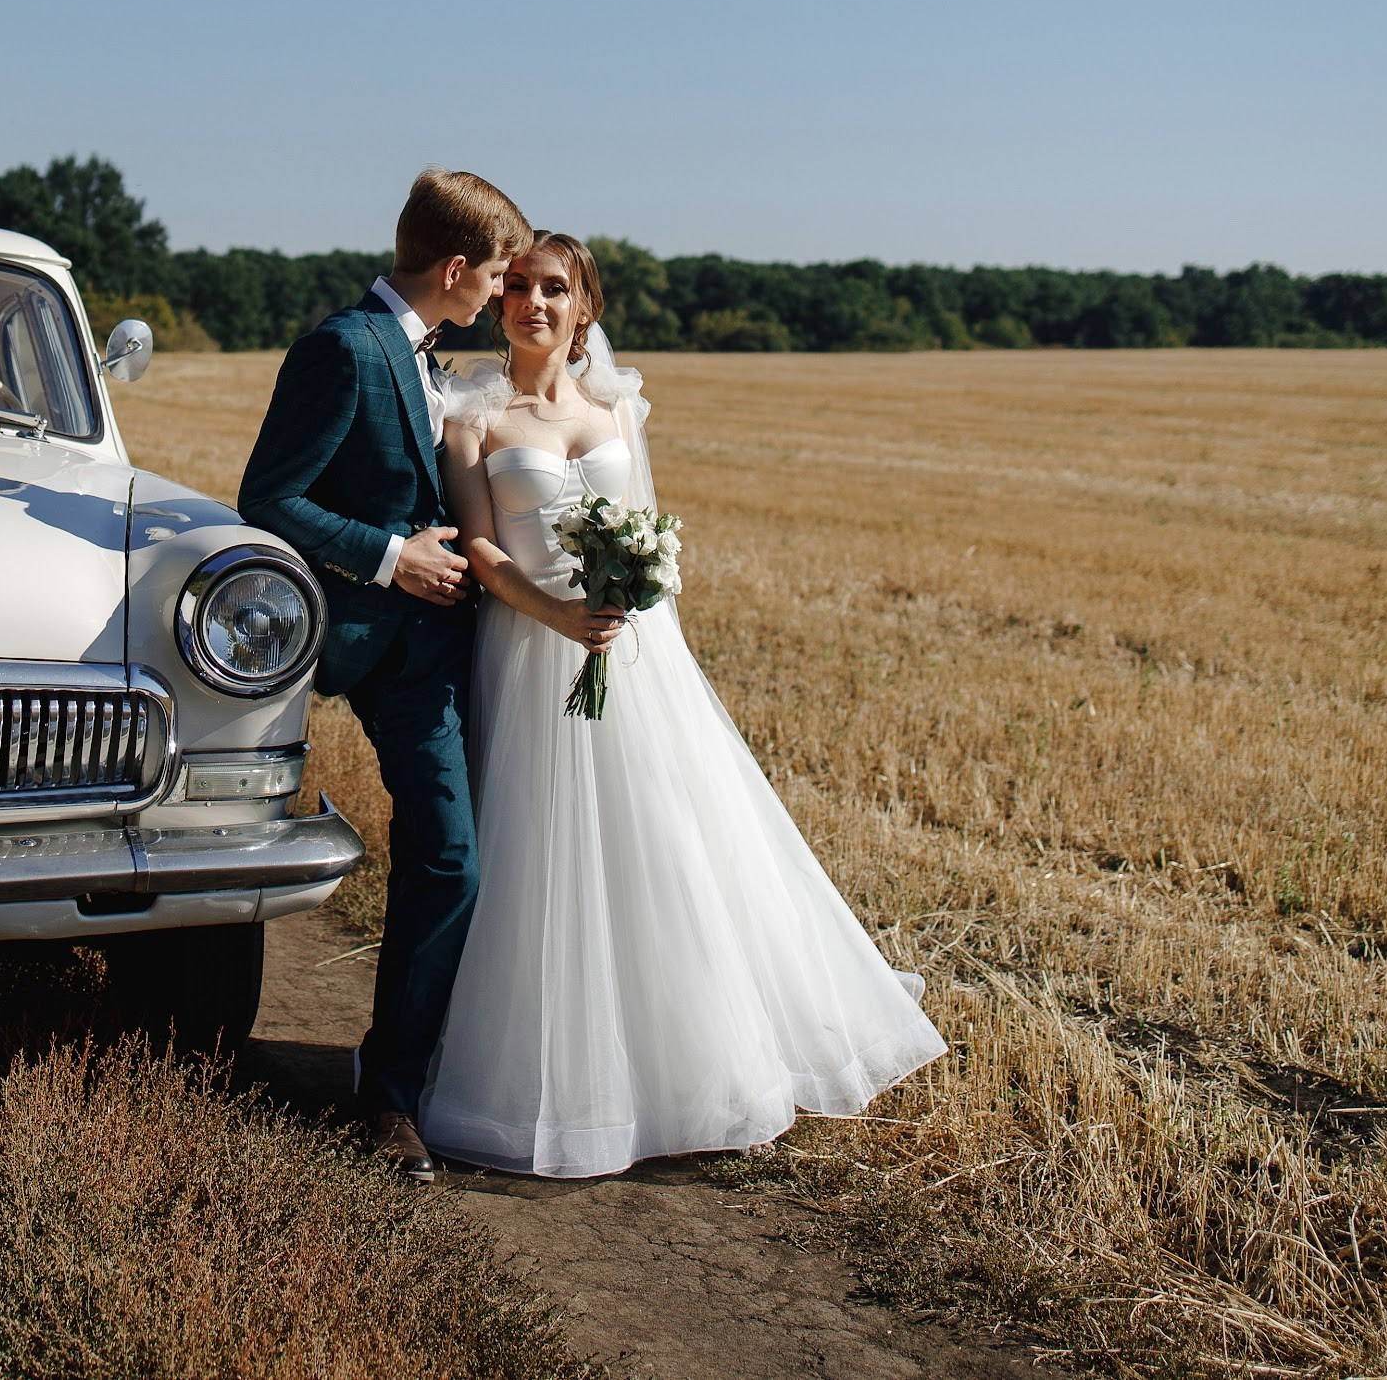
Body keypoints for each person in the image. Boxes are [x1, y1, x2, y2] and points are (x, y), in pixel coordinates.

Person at [420, 233, 947, 1178]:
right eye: (523, 289)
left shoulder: (620, 406)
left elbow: (648, 526)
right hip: (536, 647)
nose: (536, 303)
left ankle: (696, 1067)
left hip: (639, 655)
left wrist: (636, 599)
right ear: (499, 305)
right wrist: (560, 614)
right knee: (550, 861)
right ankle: (572, 1086)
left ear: (585, 308)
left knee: (671, 844)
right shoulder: (471, 416)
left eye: (557, 289)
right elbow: (484, 550)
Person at [238, 167, 533, 1182]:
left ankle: (429, 1066)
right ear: (454, 268)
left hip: (460, 647)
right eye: (496, 273)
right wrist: (390, 554)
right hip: (383, 648)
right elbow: (268, 498)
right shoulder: (342, 347)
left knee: (463, 856)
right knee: (449, 857)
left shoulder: (430, 355)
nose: (501, 291)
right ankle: (391, 1097)